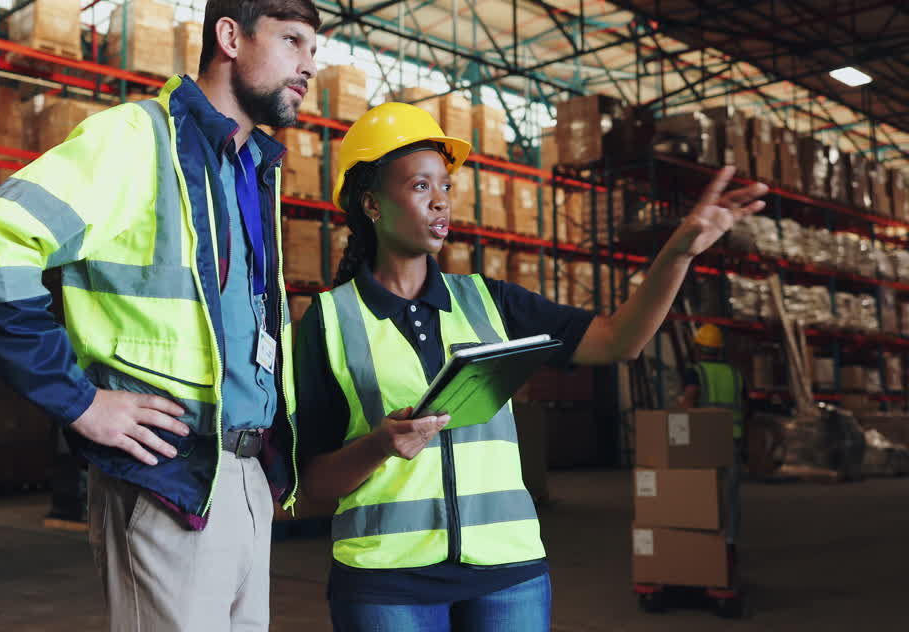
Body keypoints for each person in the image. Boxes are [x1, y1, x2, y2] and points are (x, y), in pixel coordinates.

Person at [292, 102, 767, 631]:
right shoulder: (328, 321)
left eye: (446, 187)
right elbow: (314, 482)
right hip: (386, 581)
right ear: (371, 204)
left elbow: (620, 340)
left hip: (507, 570)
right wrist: (379, 445)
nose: (441, 203)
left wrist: (679, 251)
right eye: (421, 186)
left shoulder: (491, 303)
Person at [0, 0, 320, 632]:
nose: (309, 67)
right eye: (293, 42)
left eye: (314, 52)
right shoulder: (138, 139)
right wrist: (79, 399)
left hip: (247, 475)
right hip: (170, 477)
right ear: (230, 36)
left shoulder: (252, 167)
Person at [682, 323, 745, 569]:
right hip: (733, 437)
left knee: (705, 492)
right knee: (731, 493)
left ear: (698, 348)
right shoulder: (734, 373)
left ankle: (706, 541)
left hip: (706, 440)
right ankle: (730, 541)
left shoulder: (695, 371)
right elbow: (745, 407)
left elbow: (689, 400)